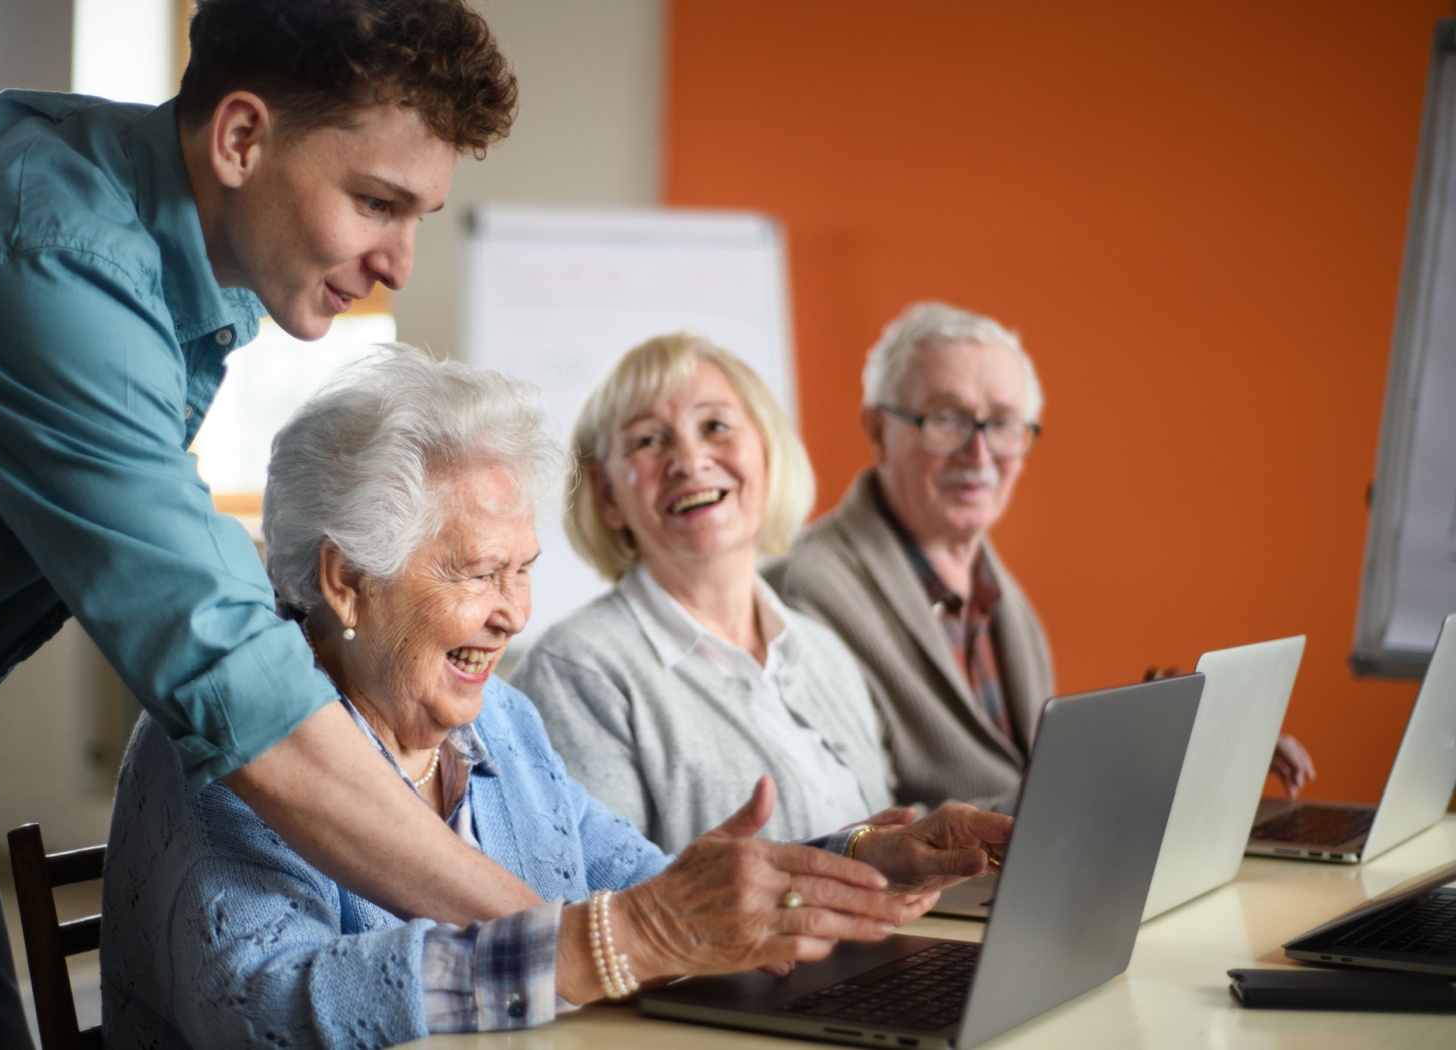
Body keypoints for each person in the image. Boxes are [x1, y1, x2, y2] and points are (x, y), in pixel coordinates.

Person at [0, 3, 540, 1045]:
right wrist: (569, 941)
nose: (399, 259)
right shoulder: (53, 255)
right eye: (373, 202)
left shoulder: (155, 241)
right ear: (240, 139)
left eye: (420, 216)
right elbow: (223, 673)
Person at [99, 347, 1014, 1049]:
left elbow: (654, 895)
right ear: (346, 582)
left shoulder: (500, 723)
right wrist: (603, 947)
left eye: (525, 572)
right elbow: (260, 1006)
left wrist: (857, 863)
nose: (513, 616)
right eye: (479, 573)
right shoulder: (229, 743)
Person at [765, 301, 1315, 813]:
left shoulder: (996, 590)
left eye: (1003, 424)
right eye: (946, 420)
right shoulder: (809, 592)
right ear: (878, 431)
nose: (979, 454)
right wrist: (1141, 768)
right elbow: (866, 825)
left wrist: (1173, 740)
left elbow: (1021, 781)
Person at [510, 333, 898, 852]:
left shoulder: (827, 654)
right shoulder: (575, 671)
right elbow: (608, 905)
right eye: (649, 440)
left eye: (715, 426)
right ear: (607, 496)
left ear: (767, 451)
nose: (689, 461)